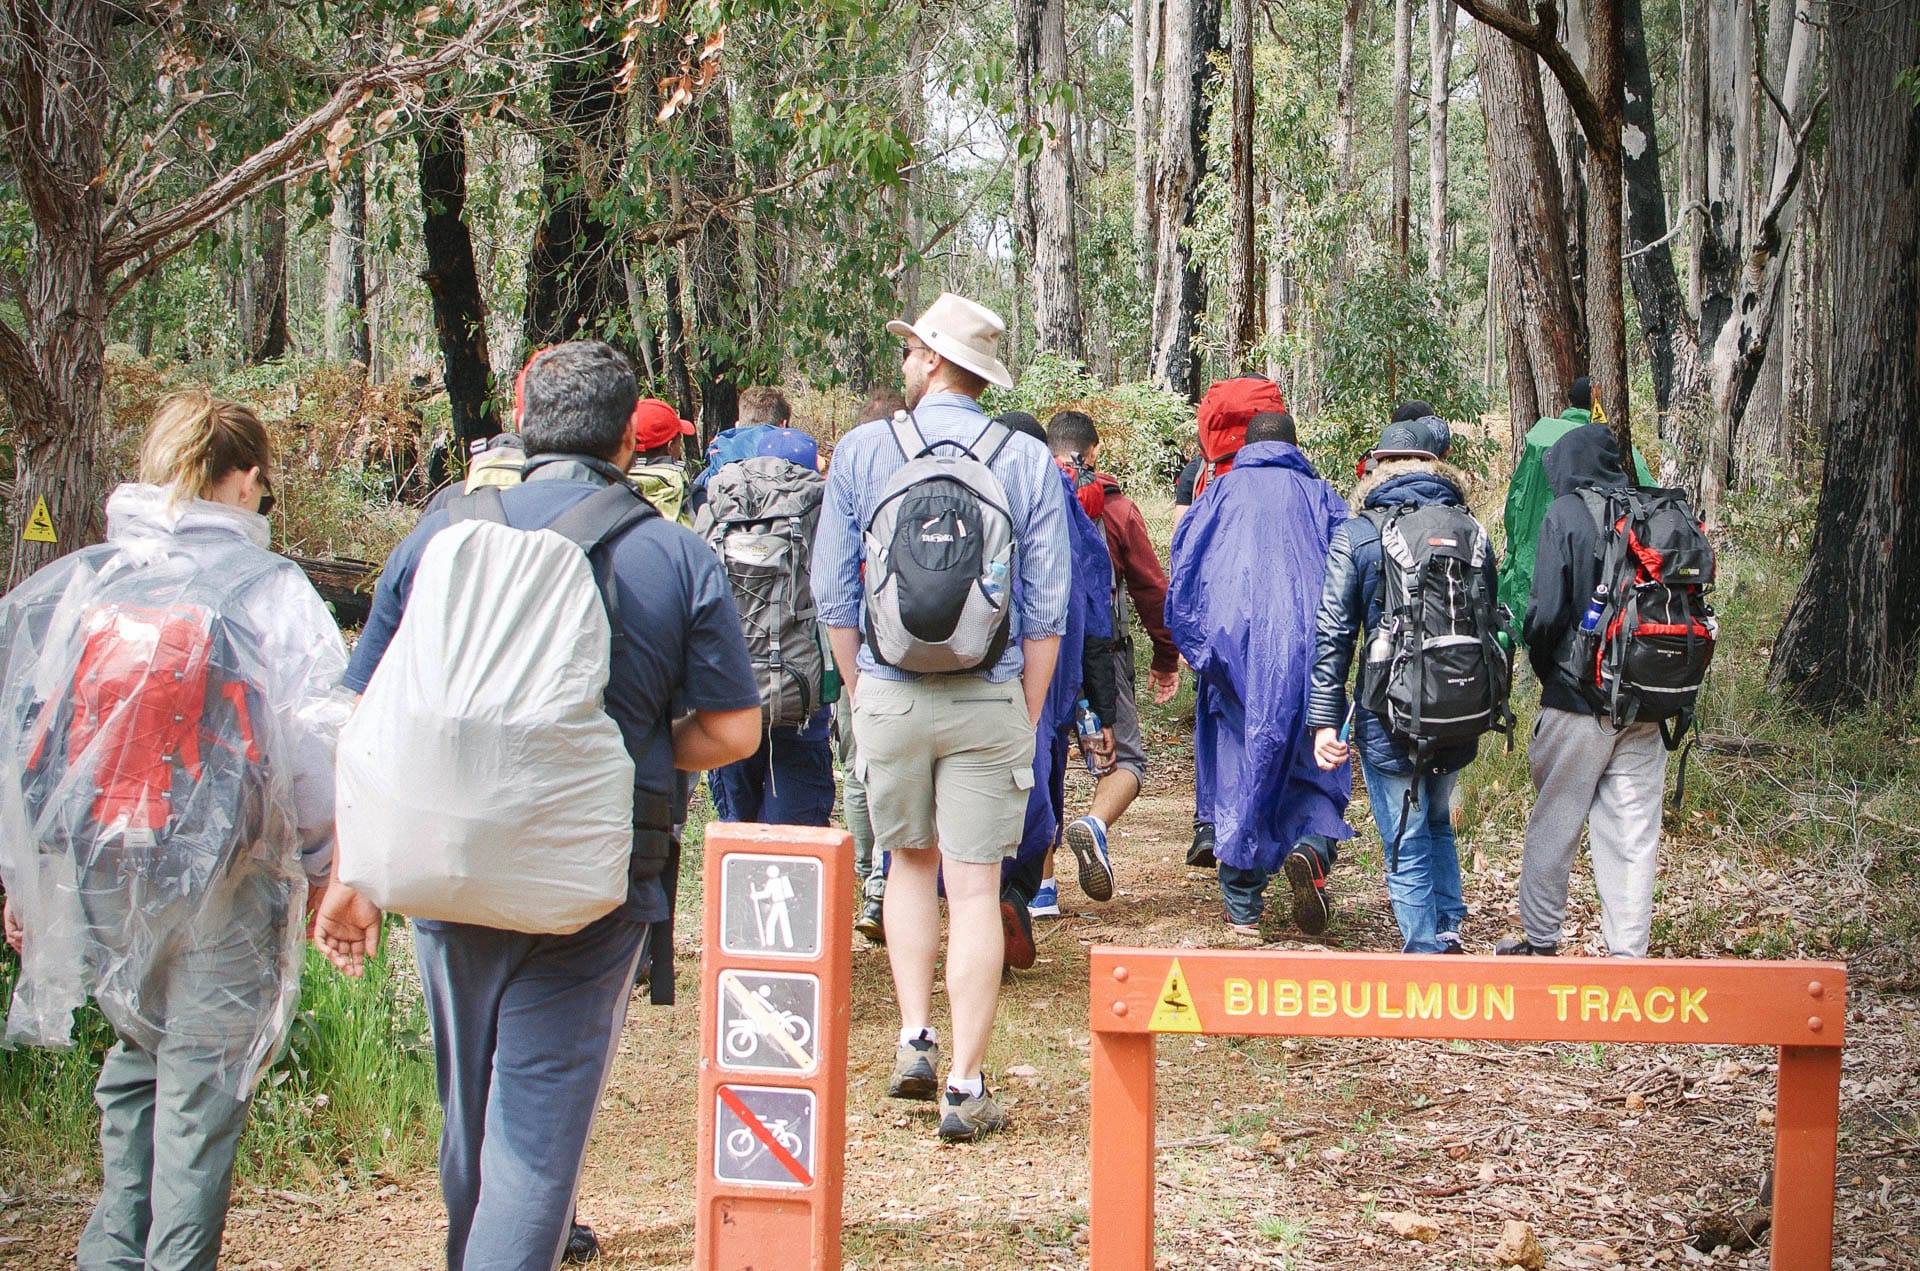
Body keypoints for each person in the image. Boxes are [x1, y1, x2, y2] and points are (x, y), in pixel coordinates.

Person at [313, 341, 762, 1268]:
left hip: (437, 861)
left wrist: (353, 865)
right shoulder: (671, 554)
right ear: (629, 444)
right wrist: (628, 752)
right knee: (535, 1140)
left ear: (521, 425)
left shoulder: (442, 526)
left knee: (470, 1119)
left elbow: (367, 711)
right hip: (589, 883)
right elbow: (735, 733)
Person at [0, 389, 349, 1269]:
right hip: (225, 877)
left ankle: (109, 1258)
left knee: (136, 1062)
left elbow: (27, 735)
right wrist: (324, 863)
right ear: (244, 480)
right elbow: (314, 743)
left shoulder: (95, 577)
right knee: (200, 1090)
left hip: (107, 867)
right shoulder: (269, 589)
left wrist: (24, 882)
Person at [812, 292, 1069, 1142]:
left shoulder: (863, 449)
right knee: (975, 884)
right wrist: (1024, 711)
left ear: (929, 358)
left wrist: (861, 689)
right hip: (990, 695)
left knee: (908, 866)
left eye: (912, 350)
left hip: (887, 690)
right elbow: (1048, 608)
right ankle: (965, 1084)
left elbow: (833, 593)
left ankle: (913, 1039)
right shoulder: (1025, 458)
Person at [1309, 413, 1494, 952]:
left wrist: (1324, 719)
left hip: (1387, 710)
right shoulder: (1470, 529)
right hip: (1461, 704)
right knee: (1436, 816)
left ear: (1378, 469)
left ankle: (1423, 955)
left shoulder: (1359, 533)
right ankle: (1448, 927)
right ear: (1434, 467)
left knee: (1403, 831)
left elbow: (1333, 634)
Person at [1167, 410, 1352, 936]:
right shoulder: (1322, 498)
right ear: (1295, 446)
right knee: (1313, 755)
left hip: (1233, 655)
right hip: (1312, 653)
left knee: (1239, 762)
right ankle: (1311, 850)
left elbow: (1184, 571)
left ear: (1245, 447)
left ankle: (1243, 905)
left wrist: (1197, 647)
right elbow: (1355, 572)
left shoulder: (1217, 496)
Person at [1498, 423, 1668, 959]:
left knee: (1556, 820)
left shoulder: (1565, 513)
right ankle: (1627, 956)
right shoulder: (1654, 513)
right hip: (1650, 698)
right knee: (1633, 834)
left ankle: (1542, 940)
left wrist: (1548, 670)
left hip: (1579, 699)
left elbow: (1544, 615)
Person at [1031, 410, 1181, 918]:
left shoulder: (1024, 495)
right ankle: (1095, 823)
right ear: (1094, 452)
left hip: (1036, 654)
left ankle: (1041, 886)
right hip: (1103, 655)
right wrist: (1166, 655)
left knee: (1041, 760)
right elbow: (1150, 588)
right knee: (1126, 762)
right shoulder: (1116, 509)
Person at [991, 412, 1116, 938]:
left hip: (971, 669)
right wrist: (1102, 707)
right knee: (1041, 777)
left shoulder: (965, 483)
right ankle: (1025, 889)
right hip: (1047, 672)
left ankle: (986, 893)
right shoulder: (1062, 504)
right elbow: (1094, 608)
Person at [701, 422, 838, 829]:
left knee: (737, 829)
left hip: (730, 689)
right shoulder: (820, 506)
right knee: (795, 833)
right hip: (800, 691)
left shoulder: (719, 502)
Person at [1180, 377, 1290, 869]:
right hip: (1283, 615)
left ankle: (1214, 825)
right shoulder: (1293, 475)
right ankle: (1282, 829)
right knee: (1284, 718)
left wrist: (1185, 632)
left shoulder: (1201, 473)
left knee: (1222, 719)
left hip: (1219, 614)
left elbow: (1186, 547)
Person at [1497, 377, 1653, 629]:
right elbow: (1649, 496)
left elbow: (1515, 504)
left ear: (1569, 401)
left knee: (1539, 619)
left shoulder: (1539, 441)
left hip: (1536, 564)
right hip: (1603, 574)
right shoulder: (1612, 444)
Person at [841, 390, 906, 944]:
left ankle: (872, 881)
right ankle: (896, 880)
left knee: (860, 767)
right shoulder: (923, 474)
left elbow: (832, 589)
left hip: (861, 652)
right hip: (921, 650)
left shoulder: (851, 479)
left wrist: (848, 678)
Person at [627, 397, 699, 526]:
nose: (680, 450)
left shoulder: (609, 490)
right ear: (670, 446)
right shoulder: (694, 498)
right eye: (679, 442)